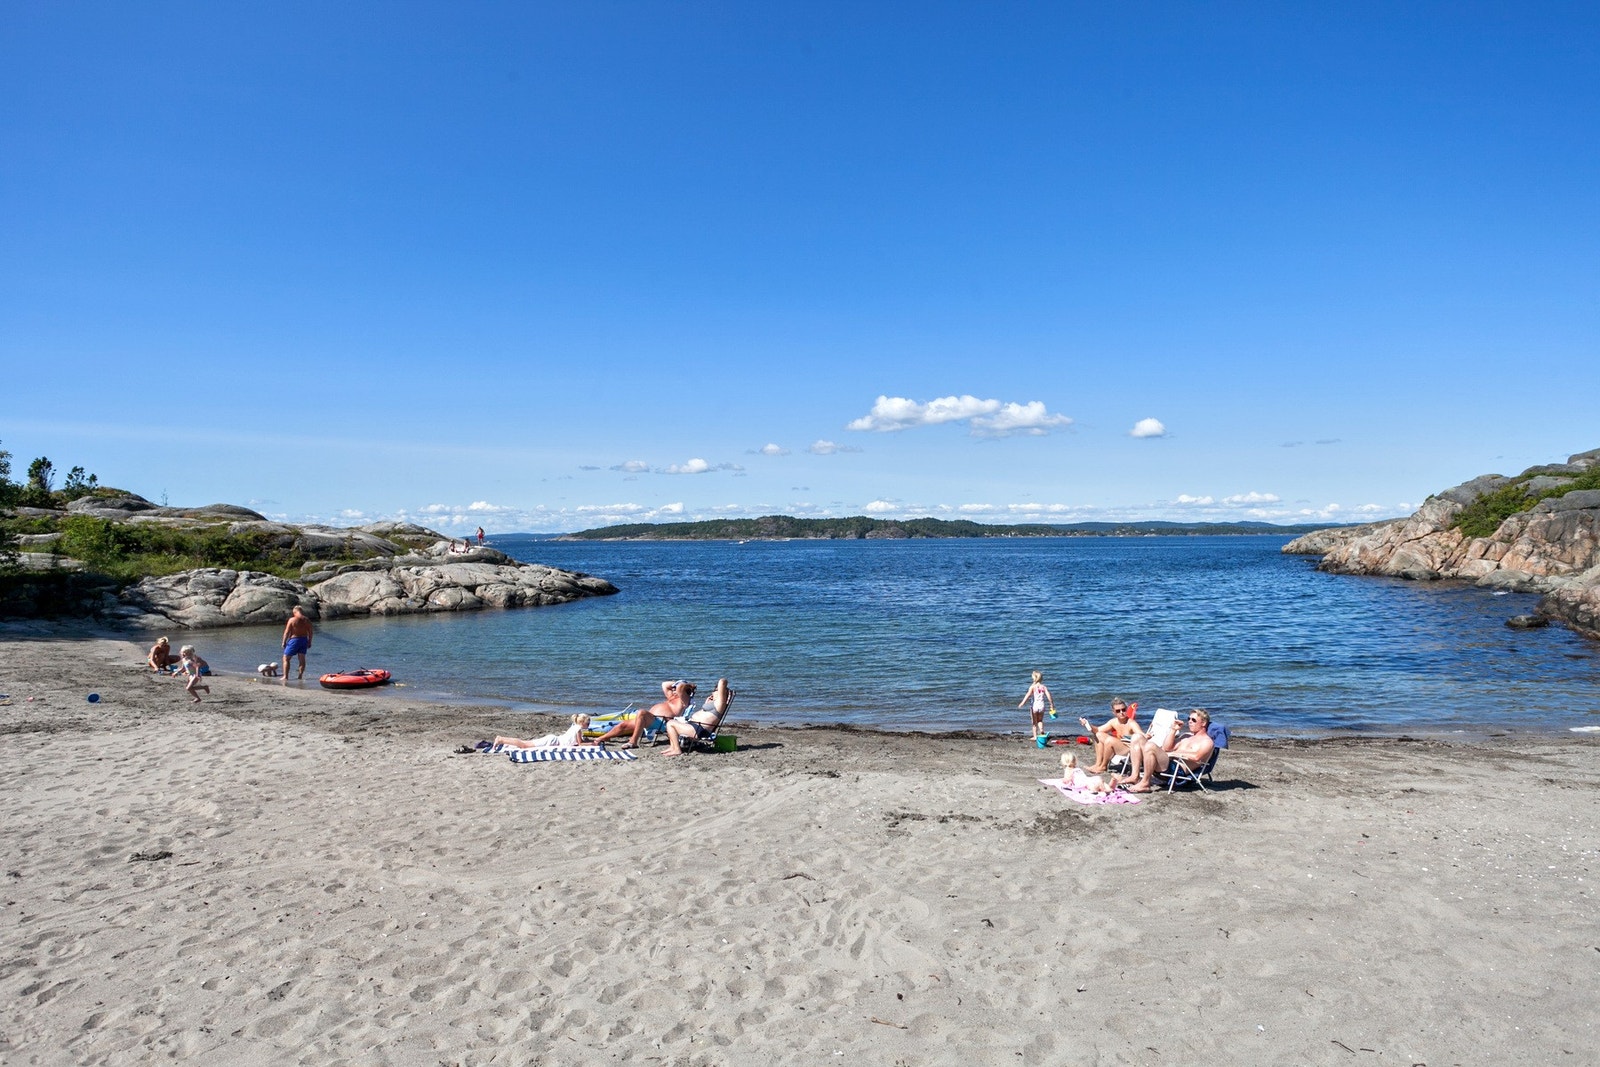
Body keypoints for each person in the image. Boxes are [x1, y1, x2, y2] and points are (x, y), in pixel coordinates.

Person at [1116, 709, 1215, 793]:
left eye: (1193, 720)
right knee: (1137, 737)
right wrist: (1173, 730)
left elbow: (1196, 757)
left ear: (1203, 723)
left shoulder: (1207, 742)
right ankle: (1135, 776)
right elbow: (1166, 748)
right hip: (1166, 763)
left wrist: (1173, 753)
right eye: (1188, 719)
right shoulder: (1186, 736)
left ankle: (1145, 783)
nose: (1189, 721)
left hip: (1177, 770)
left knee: (1150, 745)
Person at [593, 680, 695, 747]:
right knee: (623, 725)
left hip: (662, 723)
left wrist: (685, 685)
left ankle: (633, 742)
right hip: (652, 720)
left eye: (674, 688)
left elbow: (680, 688)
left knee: (641, 712)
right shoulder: (672, 697)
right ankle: (601, 739)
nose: (673, 690)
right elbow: (664, 684)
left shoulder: (684, 699)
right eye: (673, 688)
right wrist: (675, 683)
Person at [663, 678, 735, 757]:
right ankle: (673, 747)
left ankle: (677, 749)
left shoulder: (720, 703)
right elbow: (707, 715)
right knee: (671, 723)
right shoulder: (714, 704)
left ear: (722, 693)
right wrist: (707, 704)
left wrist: (722, 683)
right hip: (695, 727)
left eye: (715, 690)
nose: (713, 692)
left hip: (698, 730)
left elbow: (722, 681)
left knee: (671, 723)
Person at [1080, 698, 1138, 774]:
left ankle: (1103, 766)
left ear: (1126, 709)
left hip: (1129, 748)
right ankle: (1098, 764)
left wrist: (1146, 736)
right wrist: (1087, 724)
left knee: (1109, 740)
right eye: (1118, 711)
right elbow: (1098, 730)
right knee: (1098, 735)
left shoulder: (1131, 723)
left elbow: (1140, 734)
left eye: (1123, 710)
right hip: (1120, 745)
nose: (1121, 712)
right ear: (1114, 712)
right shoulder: (1114, 722)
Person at [490, 714, 595, 751]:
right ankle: (501, 739)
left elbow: (578, 741)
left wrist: (589, 741)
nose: (589, 724)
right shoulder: (578, 730)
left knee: (525, 743)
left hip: (553, 739)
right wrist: (593, 743)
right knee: (524, 746)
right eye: (588, 722)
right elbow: (580, 744)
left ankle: (505, 741)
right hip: (553, 741)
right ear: (582, 722)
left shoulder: (574, 726)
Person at [1018, 670, 1055, 741]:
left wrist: (1022, 703)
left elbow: (1028, 695)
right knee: (1040, 720)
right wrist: (1051, 704)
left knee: (1034, 722)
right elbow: (1048, 695)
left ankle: (1035, 736)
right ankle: (1041, 731)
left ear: (1034, 678)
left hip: (1034, 706)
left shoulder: (1032, 687)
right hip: (1041, 706)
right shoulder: (1043, 687)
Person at [281, 605, 313, 684]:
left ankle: (286, 676)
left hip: (294, 640)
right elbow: (310, 632)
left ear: (295, 612)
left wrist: (284, 642)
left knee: (286, 658)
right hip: (304, 640)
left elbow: (287, 632)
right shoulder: (307, 620)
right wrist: (309, 641)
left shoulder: (292, 620)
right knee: (302, 658)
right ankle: (300, 676)